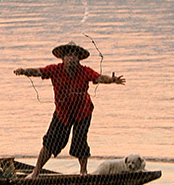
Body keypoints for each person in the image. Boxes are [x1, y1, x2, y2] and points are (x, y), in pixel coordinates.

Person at [14, 42, 125, 178]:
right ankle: (35, 172)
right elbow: (38, 72)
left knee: (80, 141)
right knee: (50, 142)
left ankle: (83, 172)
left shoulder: (85, 71)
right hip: (62, 113)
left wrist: (112, 80)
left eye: (74, 56)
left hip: (82, 112)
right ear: (63, 58)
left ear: (78, 59)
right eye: (68, 55)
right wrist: (24, 71)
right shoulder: (55, 70)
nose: (71, 58)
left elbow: (99, 77)